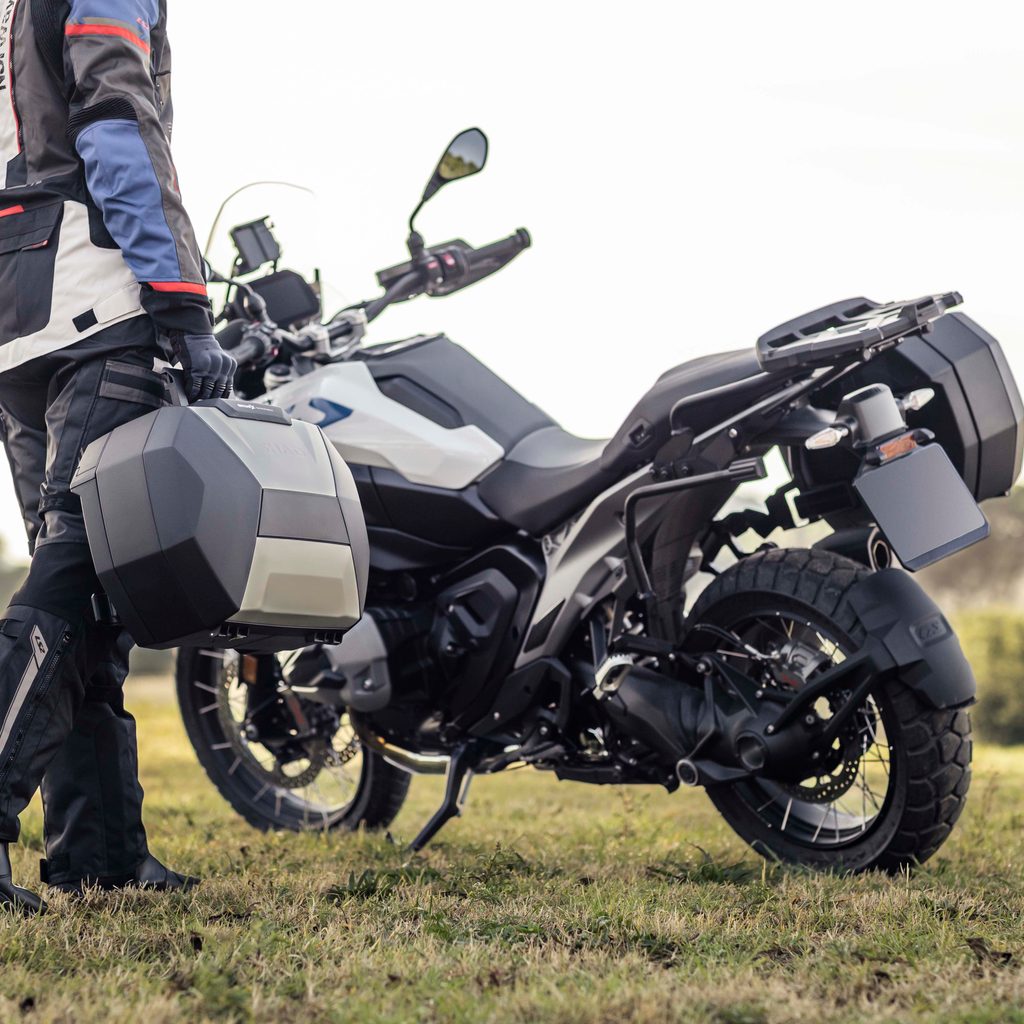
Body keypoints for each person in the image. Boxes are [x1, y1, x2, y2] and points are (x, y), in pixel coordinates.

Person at [0, 0, 236, 913]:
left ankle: (98, 851)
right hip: (97, 307)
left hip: (20, 320)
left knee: (88, 586)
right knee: (73, 575)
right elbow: (115, 120)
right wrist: (181, 298)